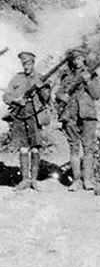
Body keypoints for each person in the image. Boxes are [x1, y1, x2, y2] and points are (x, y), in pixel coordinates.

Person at [2, 51, 51, 191]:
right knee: (23, 148)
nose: (26, 66)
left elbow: (47, 99)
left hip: (35, 117)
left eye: (28, 63)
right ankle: (24, 180)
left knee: (35, 148)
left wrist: (43, 89)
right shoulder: (17, 78)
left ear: (33, 63)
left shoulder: (40, 78)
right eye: (24, 64)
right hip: (19, 117)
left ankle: (34, 180)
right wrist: (16, 100)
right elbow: (6, 96)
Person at [56, 48, 100, 191]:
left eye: (79, 58)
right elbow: (59, 93)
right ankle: (76, 180)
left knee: (88, 147)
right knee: (74, 148)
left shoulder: (91, 75)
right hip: (70, 114)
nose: (77, 62)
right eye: (74, 59)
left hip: (87, 114)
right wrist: (60, 96)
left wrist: (88, 81)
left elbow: (96, 95)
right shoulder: (66, 77)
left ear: (84, 59)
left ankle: (87, 179)